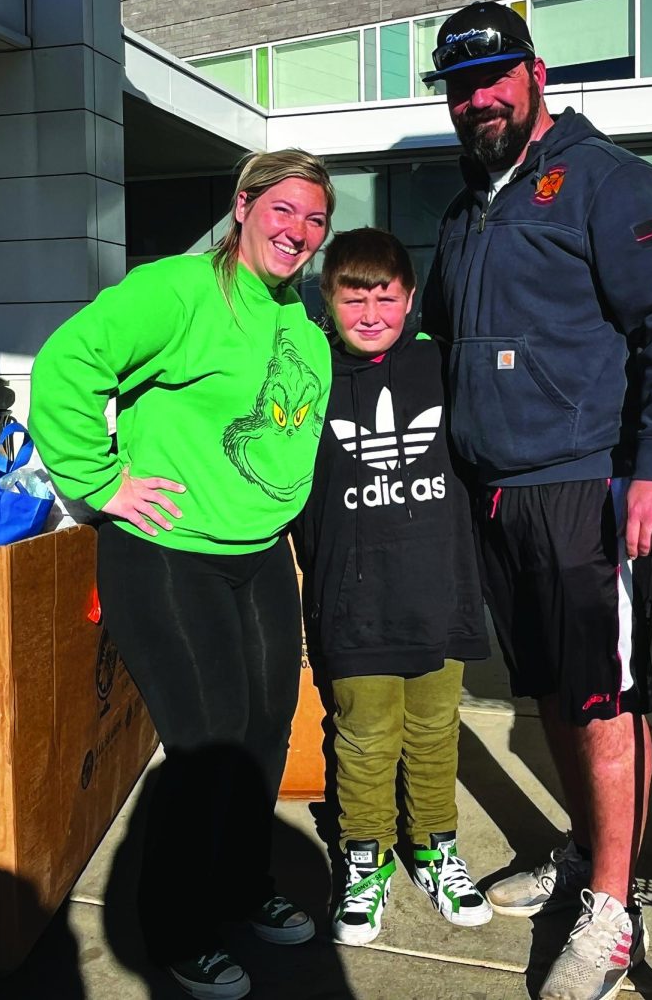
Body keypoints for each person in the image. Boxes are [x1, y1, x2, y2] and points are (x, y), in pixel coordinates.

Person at [420, 2, 652, 1000]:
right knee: (548, 687)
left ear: (536, 74)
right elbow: (429, 345)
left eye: (494, 78)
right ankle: (586, 850)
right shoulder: (466, 210)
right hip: (497, 500)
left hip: (591, 491)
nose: (479, 100)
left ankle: (611, 914)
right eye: (461, 87)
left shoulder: (606, 180)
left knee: (605, 699)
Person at [29, 149, 336, 1000]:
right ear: (243, 206)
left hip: (257, 555)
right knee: (207, 744)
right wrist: (98, 483)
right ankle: (175, 929)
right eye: (283, 211)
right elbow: (67, 365)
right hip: (167, 552)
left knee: (265, 733)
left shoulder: (297, 318)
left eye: (314, 220)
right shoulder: (177, 291)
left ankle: (241, 890)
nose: (298, 233)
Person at [292, 227, 492, 946]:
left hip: (439, 585)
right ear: (329, 299)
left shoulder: (443, 365)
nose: (371, 311)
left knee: (436, 730)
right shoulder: (307, 371)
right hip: (352, 598)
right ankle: (365, 858)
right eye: (354, 297)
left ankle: (436, 846)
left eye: (386, 296)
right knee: (365, 735)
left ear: (410, 298)